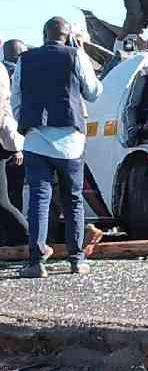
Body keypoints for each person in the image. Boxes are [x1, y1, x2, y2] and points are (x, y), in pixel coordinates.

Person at [11, 17, 103, 278]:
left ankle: (36, 261)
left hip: (35, 139)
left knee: (39, 199)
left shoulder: (24, 60)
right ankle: (76, 259)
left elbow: (16, 98)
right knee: (73, 198)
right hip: (70, 139)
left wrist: (26, 122)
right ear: (67, 36)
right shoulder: (75, 55)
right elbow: (93, 92)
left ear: (44, 35)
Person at [0, 65, 26, 246]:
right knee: (6, 200)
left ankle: (29, 237)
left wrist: (15, 147)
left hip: (6, 144)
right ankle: (30, 237)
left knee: (5, 200)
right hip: (7, 144)